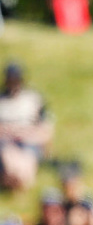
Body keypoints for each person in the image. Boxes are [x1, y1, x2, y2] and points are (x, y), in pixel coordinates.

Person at [0, 62, 54, 191]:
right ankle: (14, 178)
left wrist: (28, 134)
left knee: (25, 156)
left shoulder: (33, 99)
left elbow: (46, 128)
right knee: (8, 154)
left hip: (29, 142)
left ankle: (18, 178)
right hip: (5, 143)